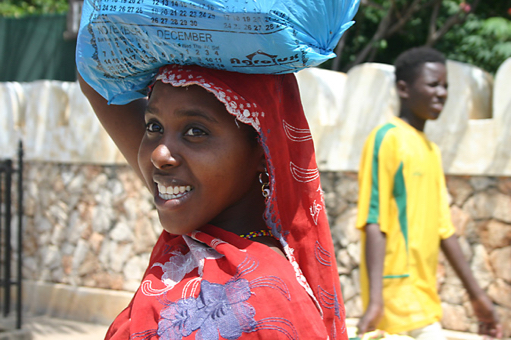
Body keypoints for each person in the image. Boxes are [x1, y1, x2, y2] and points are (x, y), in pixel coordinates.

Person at [78, 64, 348, 339]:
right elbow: (93, 73)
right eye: (153, 126)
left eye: (195, 131)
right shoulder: (198, 226)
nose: (159, 155)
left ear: (263, 151)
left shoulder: (267, 298)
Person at [355, 47, 502, 339]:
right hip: (394, 299)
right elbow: (373, 219)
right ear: (403, 88)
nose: (442, 93)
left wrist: (477, 297)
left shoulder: (431, 150)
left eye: (446, 85)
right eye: (433, 84)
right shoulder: (387, 138)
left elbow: (444, 230)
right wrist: (374, 301)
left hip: (425, 296)